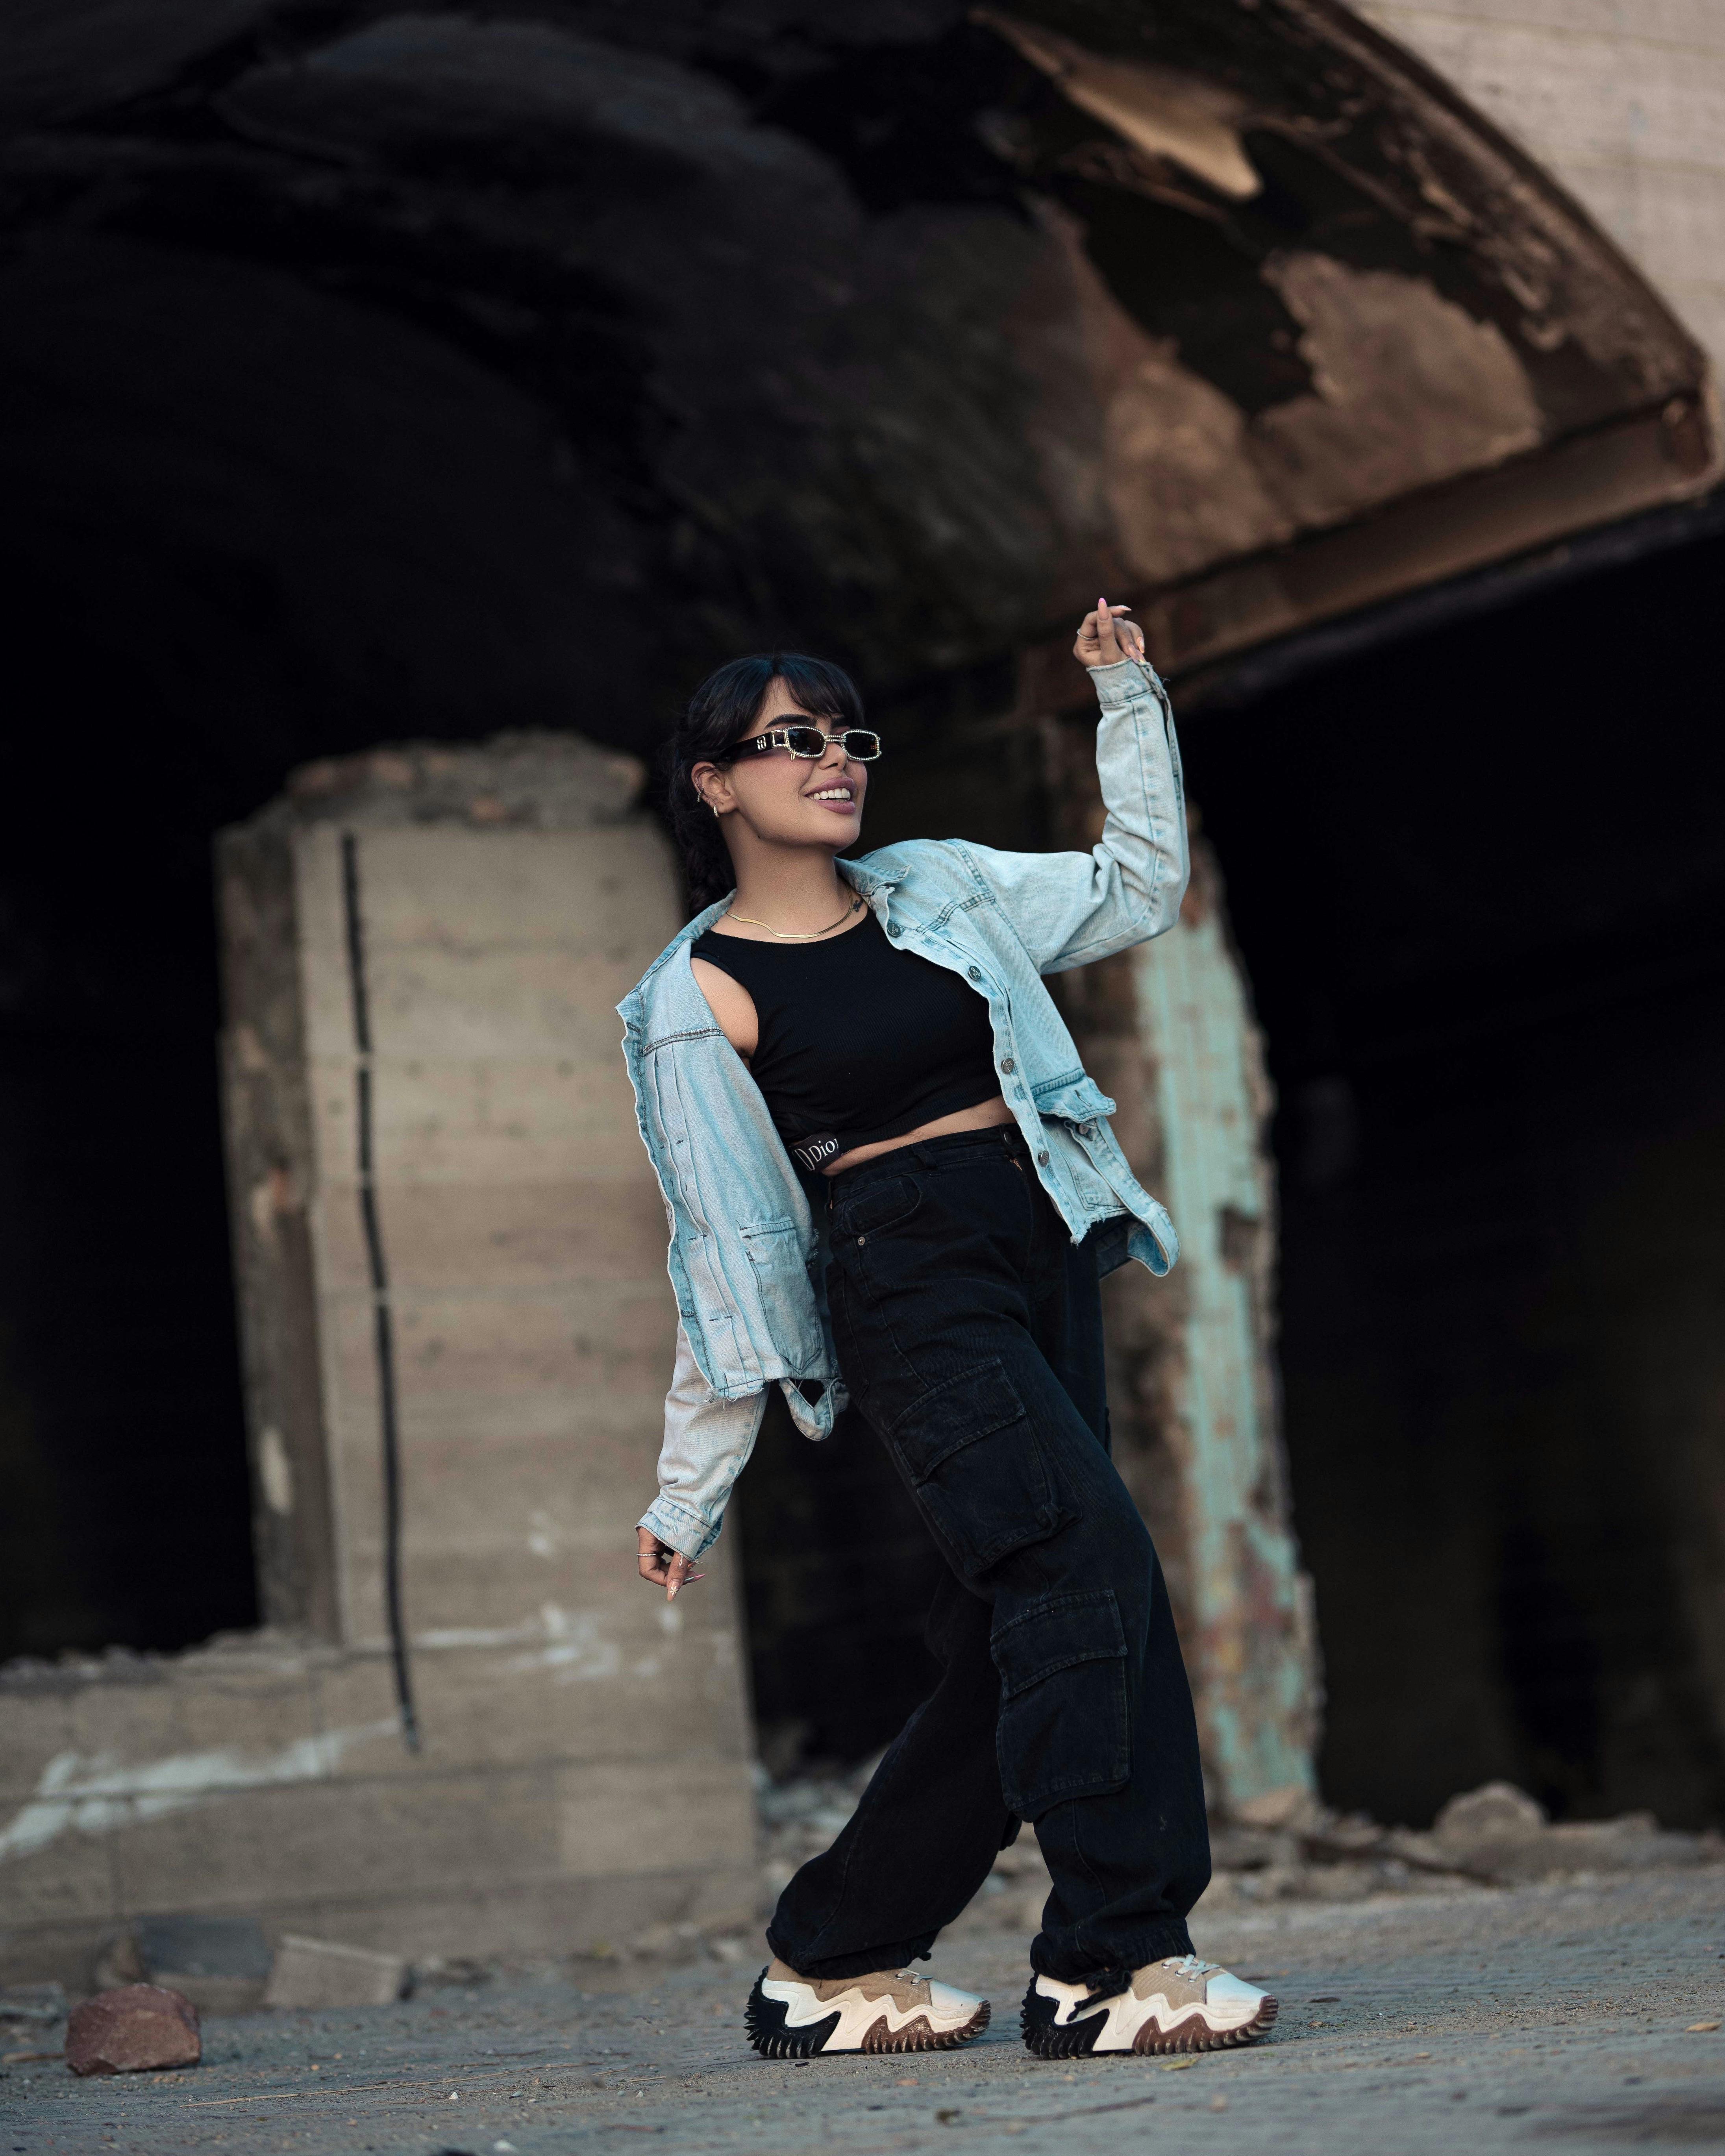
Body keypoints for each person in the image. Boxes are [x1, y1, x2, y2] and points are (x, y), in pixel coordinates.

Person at [617, 603, 1278, 2060]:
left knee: (1017, 1625)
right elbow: (725, 1258)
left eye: (850, 735)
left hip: (1034, 1235)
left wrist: (1124, 699)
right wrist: (690, 1483)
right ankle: (1112, 1963)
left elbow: (1137, 890)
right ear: (716, 783)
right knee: (1084, 1566)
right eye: (790, 740)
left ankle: (832, 1959)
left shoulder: (933, 886)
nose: (835, 760)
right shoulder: (697, 1000)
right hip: (907, 1278)